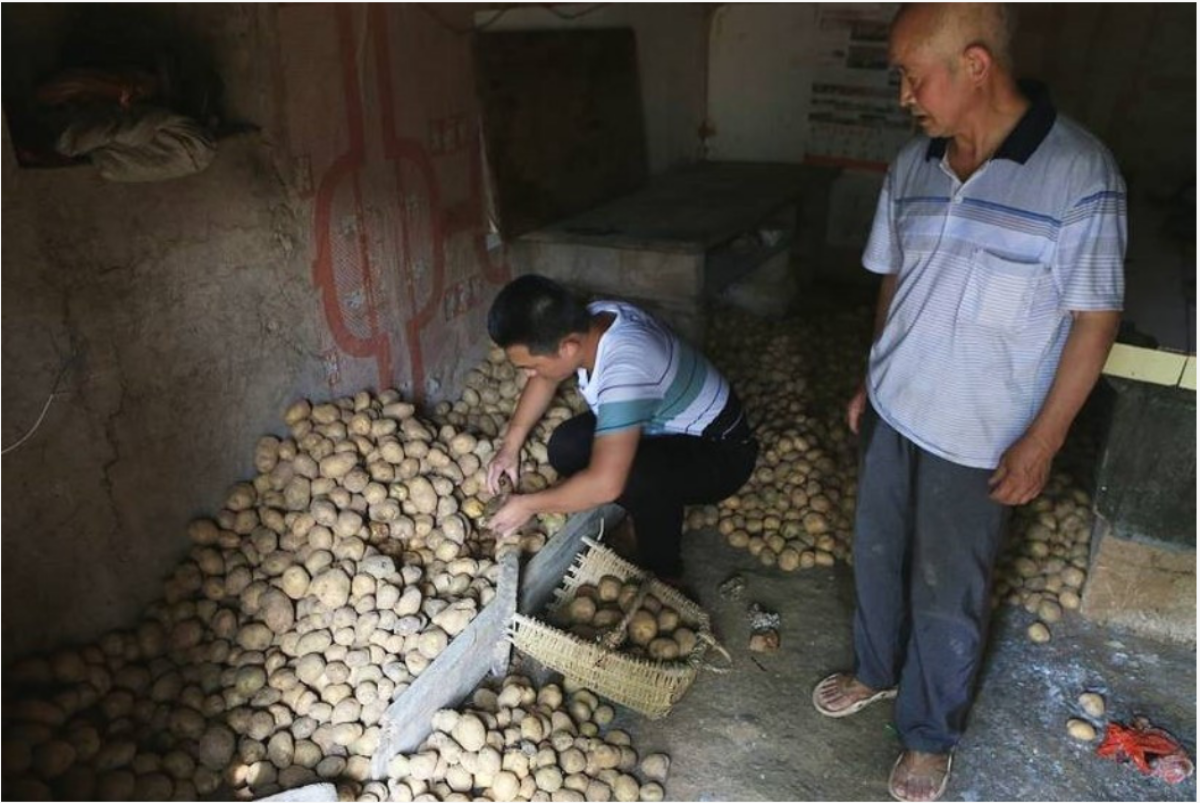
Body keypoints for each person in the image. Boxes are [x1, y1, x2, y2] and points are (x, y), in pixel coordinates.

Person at [810, 4, 1125, 802]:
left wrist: (1045, 439)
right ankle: (877, 669)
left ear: (975, 65)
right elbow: (895, 279)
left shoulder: (1081, 176)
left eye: (914, 77)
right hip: (894, 406)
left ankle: (927, 734)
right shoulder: (913, 165)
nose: (905, 96)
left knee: (949, 588)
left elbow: (1096, 319)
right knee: (876, 555)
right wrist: (869, 377)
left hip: (980, 431)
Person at [482, 274, 758, 584]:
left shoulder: (625, 368)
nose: (530, 374)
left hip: (722, 452)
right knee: (567, 446)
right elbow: (545, 377)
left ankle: (666, 572)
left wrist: (528, 505)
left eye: (530, 365)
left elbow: (605, 485)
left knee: (635, 478)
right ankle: (645, 511)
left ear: (568, 348)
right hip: (663, 427)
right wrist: (510, 447)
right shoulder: (591, 319)